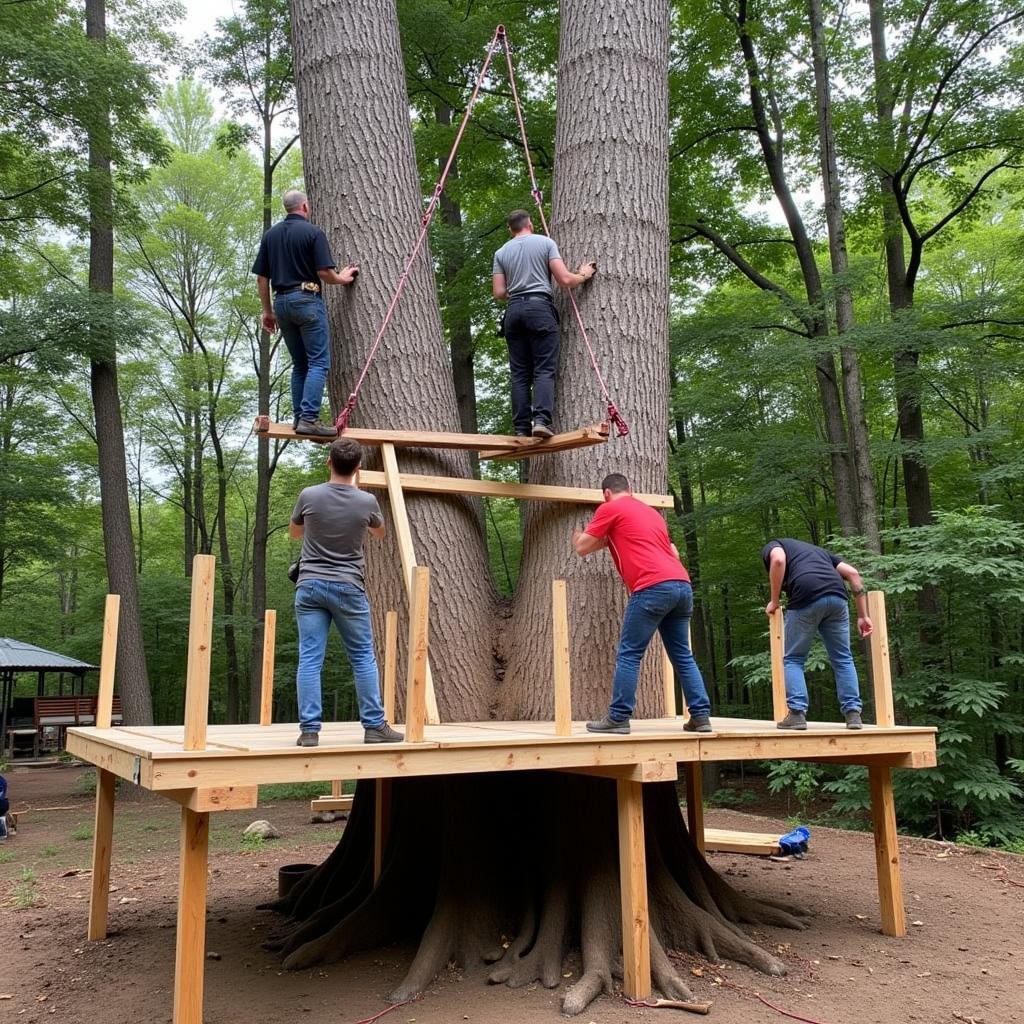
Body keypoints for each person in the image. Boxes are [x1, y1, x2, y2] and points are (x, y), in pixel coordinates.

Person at [573, 473, 713, 734]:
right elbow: (671, 551)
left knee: (630, 653)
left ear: (606, 494)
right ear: (631, 489)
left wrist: (577, 534)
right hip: (681, 584)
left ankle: (618, 717)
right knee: (683, 655)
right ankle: (701, 717)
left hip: (652, 586)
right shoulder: (651, 514)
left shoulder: (609, 507)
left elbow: (582, 547)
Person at [289, 437, 403, 746]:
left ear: (329, 462)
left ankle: (309, 731)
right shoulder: (366, 501)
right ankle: (374, 726)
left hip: (310, 585)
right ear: (358, 467)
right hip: (348, 586)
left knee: (310, 659)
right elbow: (379, 533)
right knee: (363, 656)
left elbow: (294, 532)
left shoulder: (308, 495)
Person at [252, 189, 360, 438]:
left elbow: (261, 279)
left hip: (281, 304)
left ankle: (300, 417)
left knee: (300, 364)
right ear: (305, 207)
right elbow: (324, 273)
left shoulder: (270, 236)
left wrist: (267, 313)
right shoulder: (313, 233)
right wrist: (342, 278)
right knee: (318, 362)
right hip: (307, 300)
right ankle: (309, 419)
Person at [492, 209, 597, 438]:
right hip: (539, 308)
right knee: (544, 369)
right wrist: (584, 275)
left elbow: (499, 292)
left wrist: (519, 289)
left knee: (519, 374)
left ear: (511, 229)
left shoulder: (501, 252)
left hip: (513, 312)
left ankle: (521, 428)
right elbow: (565, 280)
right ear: (530, 223)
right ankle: (541, 421)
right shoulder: (545, 243)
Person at [762, 538, 873, 730]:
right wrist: (863, 616)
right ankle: (853, 714)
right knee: (843, 658)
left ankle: (797, 714)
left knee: (794, 658)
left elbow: (778, 560)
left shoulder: (774, 545)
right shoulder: (820, 553)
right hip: (838, 597)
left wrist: (774, 599)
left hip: (806, 595)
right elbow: (853, 574)